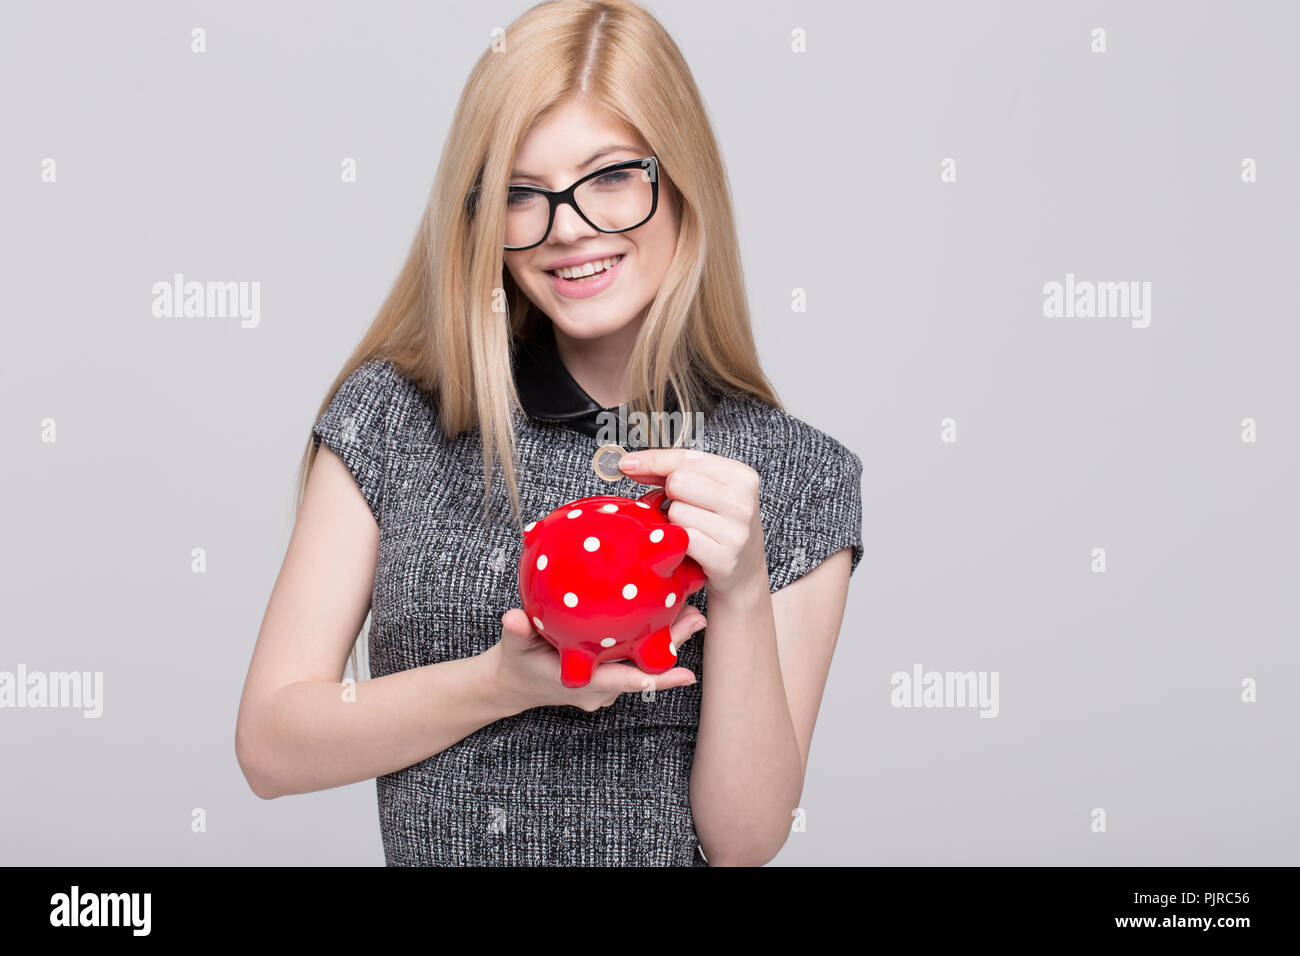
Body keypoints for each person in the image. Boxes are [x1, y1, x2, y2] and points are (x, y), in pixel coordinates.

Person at [235, 0, 863, 867]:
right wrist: (499, 684)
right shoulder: (397, 418)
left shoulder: (796, 474)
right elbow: (271, 744)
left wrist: (744, 592)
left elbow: (745, 841)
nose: (566, 228)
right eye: (520, 194)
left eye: (610, 177)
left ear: (681, 179)